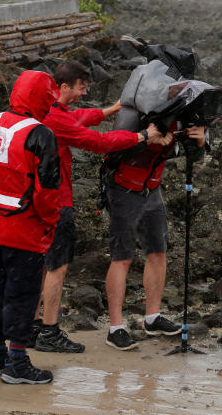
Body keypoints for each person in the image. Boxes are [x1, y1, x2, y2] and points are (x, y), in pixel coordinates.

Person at [33, 60, 165, 353]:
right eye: (81, 87)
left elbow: (76, 117)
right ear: (64, 86)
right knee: (56, 265)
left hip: (38, 199)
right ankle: (49, 332)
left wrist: (111, 110)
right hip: (56, 200)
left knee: (42, 264)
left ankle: (32, 327)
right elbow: (98, 142)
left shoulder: (46, 110)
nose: (84, 92)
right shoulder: (55, 120)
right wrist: (141, 136)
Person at [0, 70, 61, 385]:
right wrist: (50, 221)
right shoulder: (41, 134)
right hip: (24, 231)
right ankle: (17, 362)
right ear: (42, 99)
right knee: (23, 295)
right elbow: (47, 192)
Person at [103, 117, 206, 351]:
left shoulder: (183, 118)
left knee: (158, 251)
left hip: (151, 188)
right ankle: (115, 329)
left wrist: (199, 142)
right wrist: (149, 138)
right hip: (123, 187)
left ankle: (153, 318)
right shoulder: (142, 115)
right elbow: (114, 149)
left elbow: (191, 157)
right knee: (122, 256)